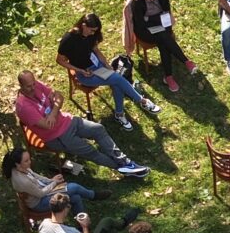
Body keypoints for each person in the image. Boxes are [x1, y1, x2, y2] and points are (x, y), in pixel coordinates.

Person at [13, 71, 150, 178]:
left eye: (33, 84)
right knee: (91, 151)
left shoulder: (37, 85)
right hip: (56, 136)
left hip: (68, 121)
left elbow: (59, 96)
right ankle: (123, 168)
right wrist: (55, 106)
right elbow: (48, 125)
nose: (32, 88)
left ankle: (125, 162)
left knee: (98, 129)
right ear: (21, 86)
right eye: (28, 86)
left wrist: (54, 112)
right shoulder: (23, 106)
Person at [56, 12, 160, 130]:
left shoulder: (91, 35)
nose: (93, 33)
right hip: (85, 74)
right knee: (116, 79)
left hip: (97, 66)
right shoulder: (69, 39)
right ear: (83, 25)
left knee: (115, 81)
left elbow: (96, 50)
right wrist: (79, 70)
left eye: (95, 31)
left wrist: (106, 65)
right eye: (91, 30)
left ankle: (120, 114)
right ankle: (142, 101)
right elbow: (60, 60)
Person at [119, 0, 196, 91]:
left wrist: (150, 18)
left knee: (163, 41)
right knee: (164, 37)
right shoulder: (137, 1)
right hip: (145, 32)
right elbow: (140, 23)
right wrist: (155, 19)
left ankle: (168, 77)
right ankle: (186, 61)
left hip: (162, 26)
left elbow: (166, 12)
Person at [2, 146, 92, 215]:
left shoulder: (21, 167)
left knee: (76, 198)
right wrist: (54, 183)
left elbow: (37, 177)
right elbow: (40, 194)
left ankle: (81, 225)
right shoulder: (22, 181)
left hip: (41, 192)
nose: (30, 161)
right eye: (26, 161)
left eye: (29, 158)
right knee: (74, 187)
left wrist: (51, 180)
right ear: (17, 164)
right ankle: (93, 195)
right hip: (39, 203)